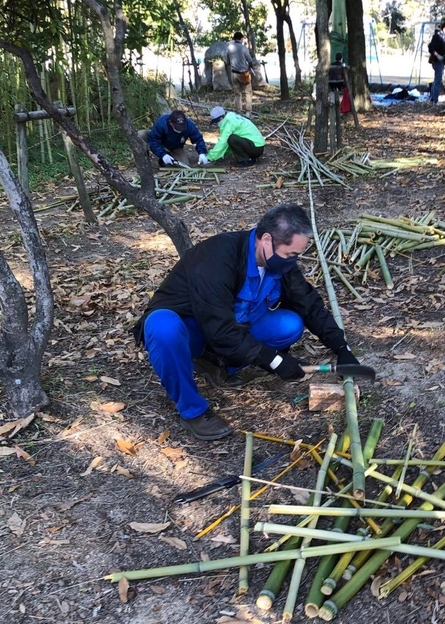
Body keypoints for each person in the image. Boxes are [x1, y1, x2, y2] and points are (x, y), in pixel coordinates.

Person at [132, 204, 360, 442]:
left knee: (289, 325)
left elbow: (309, 305)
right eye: (290, 254)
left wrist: (341, 349)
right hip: (192, 331)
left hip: (230, 327)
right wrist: (273, 359)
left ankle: (216, 364)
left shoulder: (278, 263)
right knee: (162, 328)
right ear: (266, 239)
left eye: (297, 256)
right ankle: (193, 411)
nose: (293, 262)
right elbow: (218, 328)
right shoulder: (216, 258)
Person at [139, 110, 209, 167]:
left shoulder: (189, 124)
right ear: (170, 123)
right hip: (160, 142)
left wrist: (202, 153)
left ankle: (164, 160)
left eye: (182, 127)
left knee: (184, 166)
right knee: (140, 134)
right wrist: (163, 154)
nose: (180, 130)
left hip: (175, 146)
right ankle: (143, 162)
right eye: (177, 127)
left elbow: (198, 139)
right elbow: (153, 141)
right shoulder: (161, 123)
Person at [226, 31, 255, 117]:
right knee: (248, 93)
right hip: (244, 74)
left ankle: (238, 112)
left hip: (234, 73)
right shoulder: (243, 48)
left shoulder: (229, 48)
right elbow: (249, 60)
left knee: (237, 93)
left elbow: (228, 62)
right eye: (242, 38)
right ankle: (248, 112)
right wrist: (250, 66)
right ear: (241, 38)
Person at [427, 21, 445, 104]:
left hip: (442, 61)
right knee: (438, 80)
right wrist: (437, 55)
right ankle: (435, 100)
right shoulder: (438, 36)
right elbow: (431, 47)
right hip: (437, 60)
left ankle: (432, 98)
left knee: (436, 80)